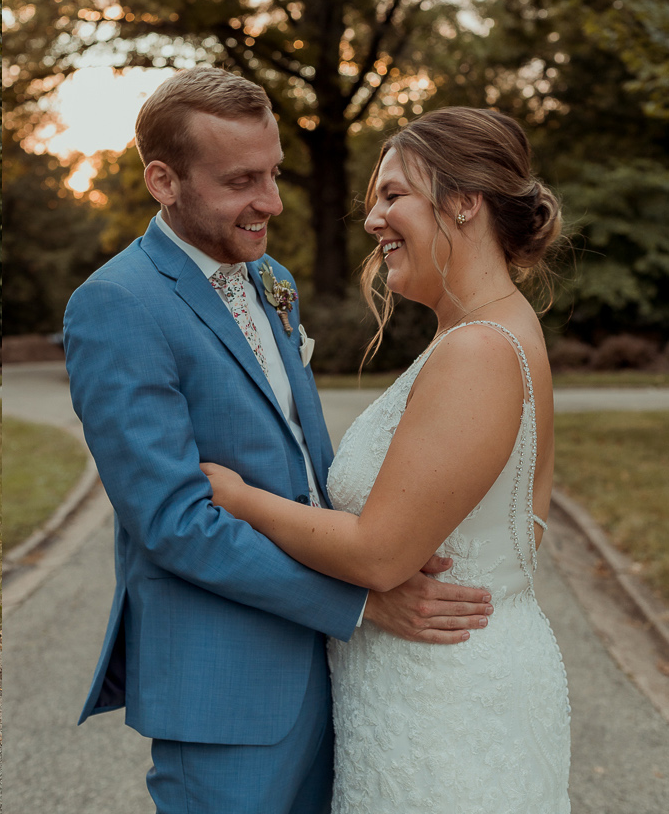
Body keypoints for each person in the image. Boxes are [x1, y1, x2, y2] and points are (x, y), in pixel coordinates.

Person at [62, 67, 494, 814]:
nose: (270, 202)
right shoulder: (114, 306)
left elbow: (300, 458)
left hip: (330, 673)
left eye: (273, 174)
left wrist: (378, 543)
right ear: (164, 180)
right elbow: (173, 521)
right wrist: (358, 602)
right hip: (225, 689)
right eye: (240, 181)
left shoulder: (271, 278)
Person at [202, 106, 571, 812]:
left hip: (447, 713)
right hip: (430, 695)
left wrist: (235, 496)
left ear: (463, 204)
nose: (372, 219)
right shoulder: (481, 333)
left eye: (393, 194)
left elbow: (378, 556)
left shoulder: (480, 349)